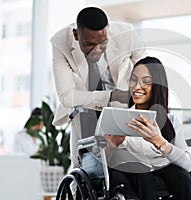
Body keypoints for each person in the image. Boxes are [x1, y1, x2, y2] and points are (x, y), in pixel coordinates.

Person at [50, 7, 146, 169]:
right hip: (86, 108)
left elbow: (146, 68)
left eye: (103, 43)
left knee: (126, 161)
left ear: (108, 32)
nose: (96, 50)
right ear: (76, 35)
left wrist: (141, 92)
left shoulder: (126, 33)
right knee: (81, 166)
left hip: (121, 107)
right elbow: (66, 96)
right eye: (89, 44)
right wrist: (112, 96)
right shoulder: (60, 42)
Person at [105, 56, 191, 200]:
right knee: (142, 173)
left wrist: (159, 141)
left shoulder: (171, 122)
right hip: (132, 170)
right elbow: (101, 160)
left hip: (161, 166)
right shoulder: (118, 117)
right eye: (134, 80)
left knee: (183, 178)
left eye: (146, 82)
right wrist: (111, 147)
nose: (136, 87)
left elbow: (188, 165)